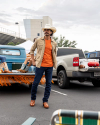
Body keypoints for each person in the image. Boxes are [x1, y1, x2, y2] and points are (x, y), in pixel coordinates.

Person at [30, 24, 57, 109]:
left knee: (48, 84)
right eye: (45, 30)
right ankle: (33, 99)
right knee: (35, 83)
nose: (46, 31)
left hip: (50, 66)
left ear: (51, 32)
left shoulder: (54, 43)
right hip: (40, 65)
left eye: (48, 30)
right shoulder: (38, 40)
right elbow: (31, 50)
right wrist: (33, 61)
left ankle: (45, 101)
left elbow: (54, 54)